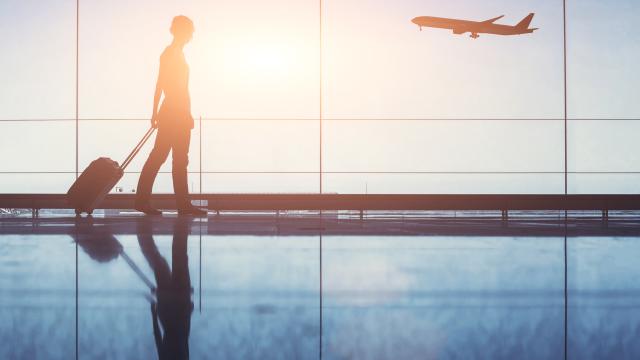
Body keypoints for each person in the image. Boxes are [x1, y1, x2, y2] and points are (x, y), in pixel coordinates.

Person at [135, 15, 206, 216]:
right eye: (190, 30)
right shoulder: (170, 53)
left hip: (177, 112)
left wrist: (160, 112)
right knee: (167, 158)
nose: (192, 34)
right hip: (174, 113)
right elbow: (164, 85)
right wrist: (155, 112)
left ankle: (177, 204)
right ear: (182, 31)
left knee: (171, 158)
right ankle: (171, 203)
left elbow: (176, 87)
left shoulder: (175, 53)